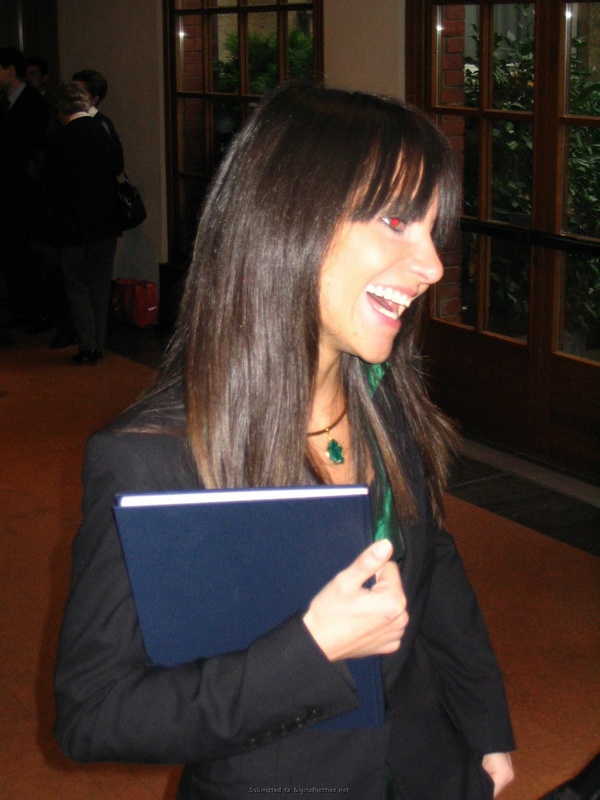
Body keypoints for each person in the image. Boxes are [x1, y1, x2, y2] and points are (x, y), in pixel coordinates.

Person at [54, 83, 515, 798]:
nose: (431, 266)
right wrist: (312, 649)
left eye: (433, 231)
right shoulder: (152, 456)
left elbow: (429, 554)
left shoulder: (382, 392)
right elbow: (95, 712)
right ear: (287, 223)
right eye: (398, 221)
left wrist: (484, 720)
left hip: (428, 764)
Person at [43, 81, 122, 365]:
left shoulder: (58, 138)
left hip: (72, 223)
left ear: (60, 109)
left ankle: (87, 345)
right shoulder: (103, 129)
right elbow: (117, 167)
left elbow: (51, 183)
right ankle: (100, 342)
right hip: (105, 220)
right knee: (100, 283)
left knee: (77, 285)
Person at [0, 46, 50, 333]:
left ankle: (38, 310)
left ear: (9, 70)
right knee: (11, 252)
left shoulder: (34, 104)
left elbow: (37, 152)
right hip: (8, 192)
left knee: (27, 253)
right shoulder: (5, 104)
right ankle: (23, 307)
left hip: (25, 193)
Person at [72, 68, 124, 174]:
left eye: (80, 93)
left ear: (94, 99)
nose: (74, 96)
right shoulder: (69, 121)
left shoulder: (101, 124)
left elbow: (117, 163)